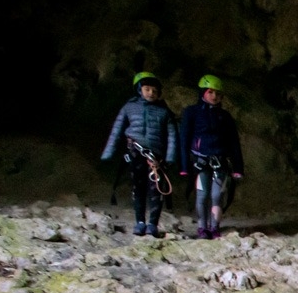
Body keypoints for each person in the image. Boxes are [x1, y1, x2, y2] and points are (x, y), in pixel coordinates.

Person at [100, 71, 178, 237]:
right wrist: (108, 152)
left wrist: (170, 156)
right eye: (147, 89)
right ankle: (140, 222)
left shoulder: (164, 112)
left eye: (155, 91)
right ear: (139, 89)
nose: (151, 93)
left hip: (155, 156)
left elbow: (172, 135)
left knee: (155, 189)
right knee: (138, 187)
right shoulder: (129, 107)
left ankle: (152, 224)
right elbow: (117, 130)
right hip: (135, 152)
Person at [178, 74, 246, 239]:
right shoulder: (191, 113)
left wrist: (238, 167)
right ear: (203, 93)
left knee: (217, 196)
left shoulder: (225, 117)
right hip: (200, 162)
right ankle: (202, 228)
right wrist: (184, 166)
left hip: (220, 162)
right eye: (211, 92)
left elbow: (234, 143)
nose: (214, 96)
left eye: (218, 93)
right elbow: (184, 139)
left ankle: (214, 227)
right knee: (202, 195)